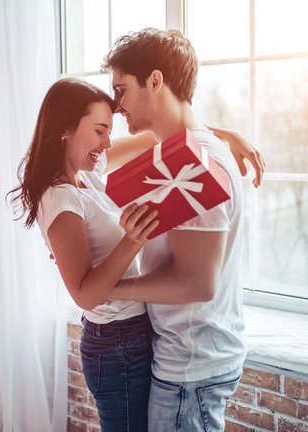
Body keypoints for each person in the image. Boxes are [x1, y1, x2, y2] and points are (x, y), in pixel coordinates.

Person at [8, 76, 263, 431]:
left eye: (109, 131)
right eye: (99, 131)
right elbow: (84, 294)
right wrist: (133, 239)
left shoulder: (89, 172)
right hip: (114, 343)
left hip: (135, 331)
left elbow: (155, 135)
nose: (107, 142)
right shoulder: (62, 199)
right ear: (66, 128)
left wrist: (223, 135)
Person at [101, 27, 252, 432]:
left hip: (191, 369)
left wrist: (108, 287)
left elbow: (197, 283)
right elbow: (89, 156)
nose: (116, 107)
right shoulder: (186, 153)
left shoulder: (191, 168)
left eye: (121, 90)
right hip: (195, 360)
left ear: (155, 80)